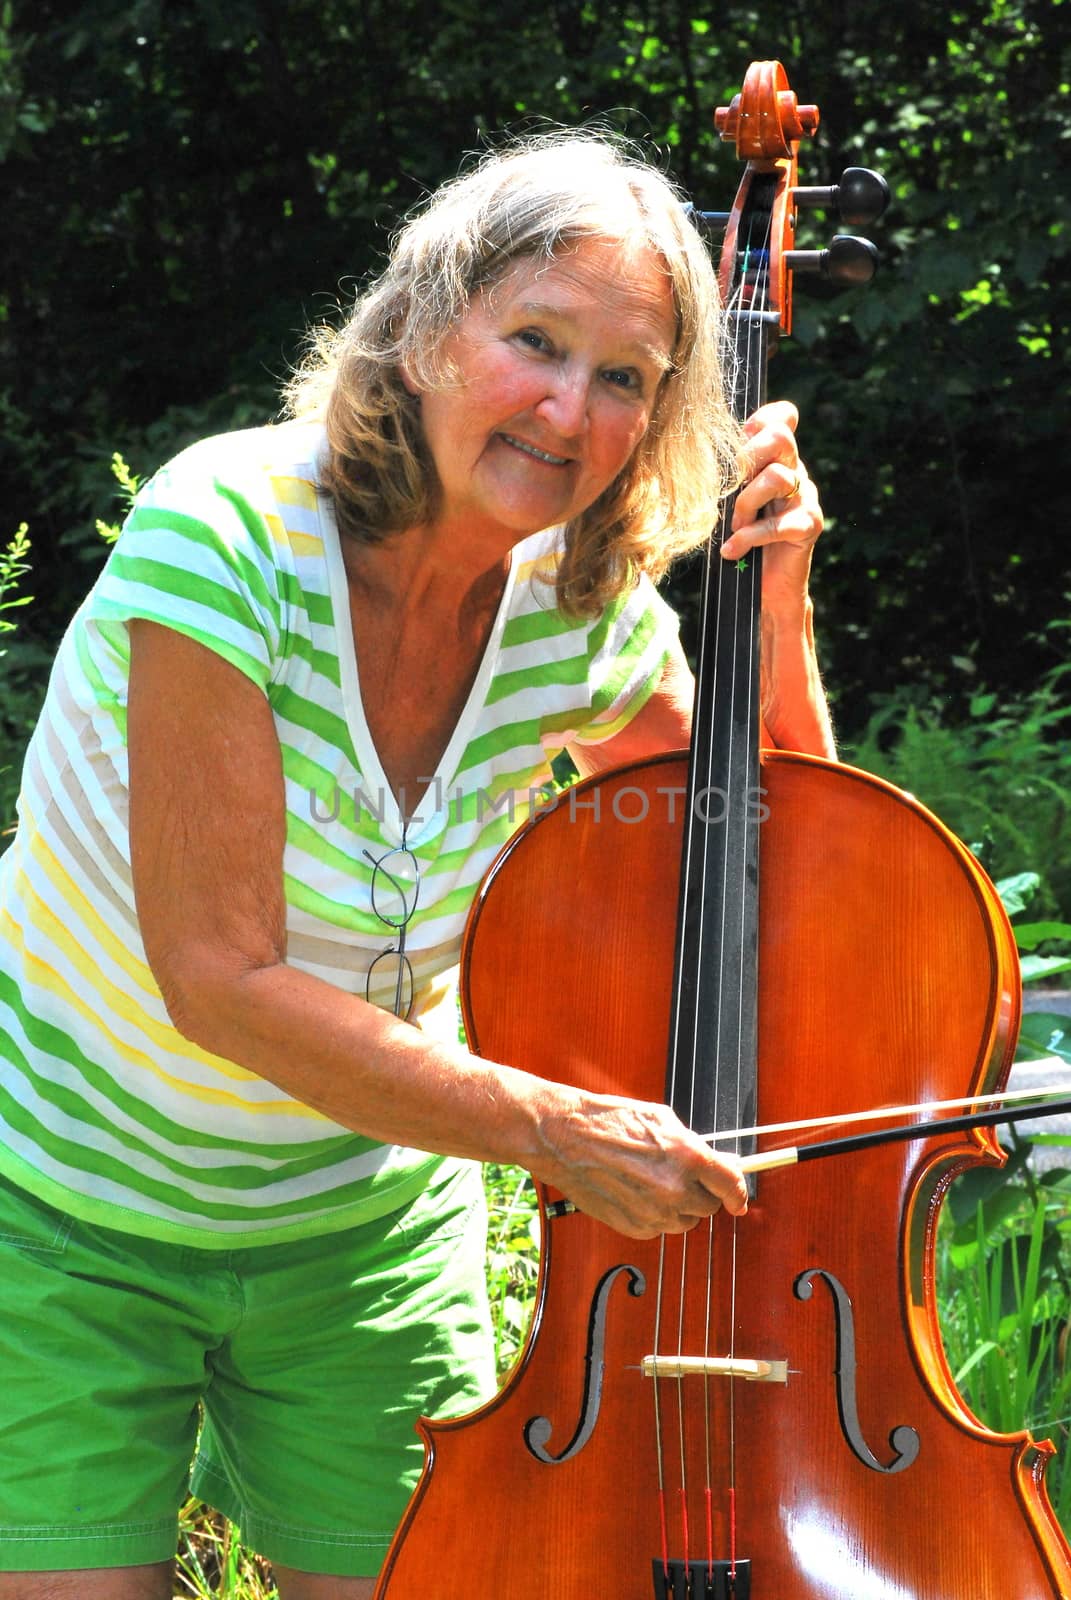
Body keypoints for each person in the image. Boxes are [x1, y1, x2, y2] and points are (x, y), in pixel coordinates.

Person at [0, 130, 834, 1599]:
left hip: (365, 1236)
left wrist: (780, 606)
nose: (568, 408)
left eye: (627, 377)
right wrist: (555, 1130)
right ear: (423, 326)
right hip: (66, 1213)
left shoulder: (582, 614)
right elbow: (221, 982)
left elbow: (779, 876)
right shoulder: (227, 534)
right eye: (534, 340)